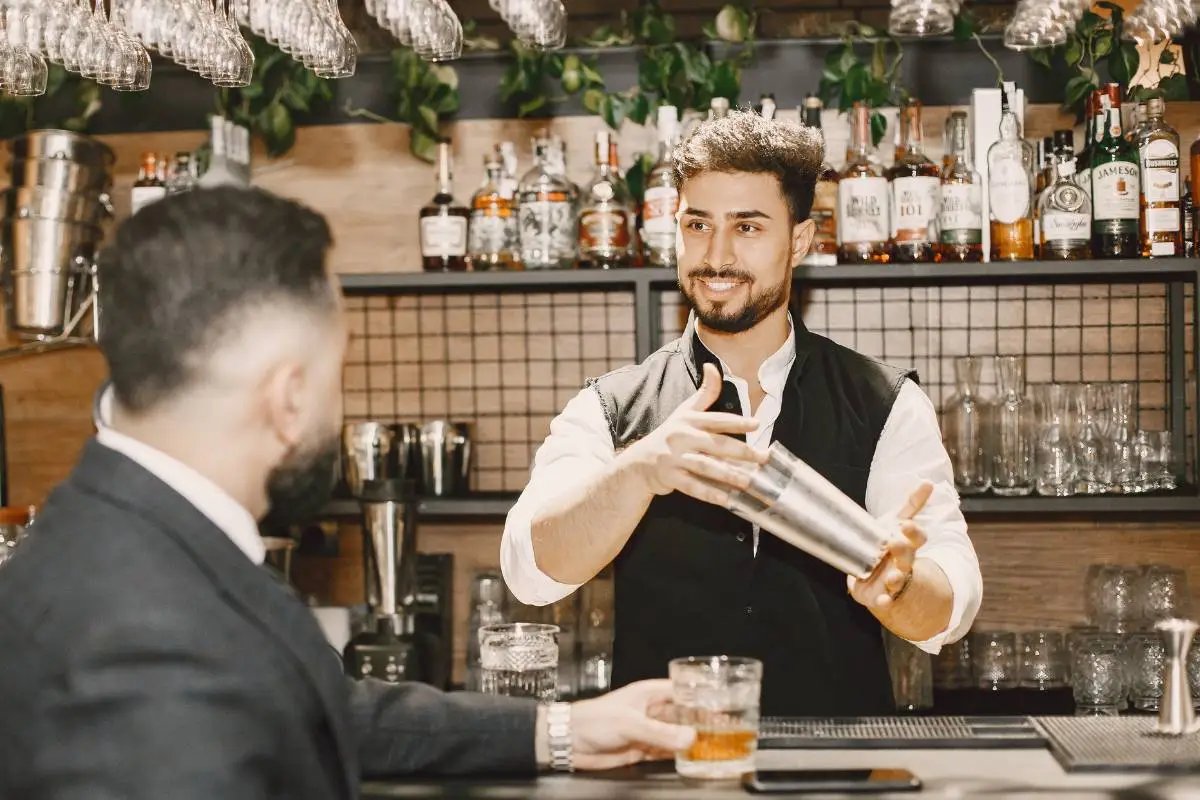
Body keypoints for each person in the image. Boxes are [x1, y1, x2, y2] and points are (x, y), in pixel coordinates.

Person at [0, 188, 697, 800]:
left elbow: (311, 706)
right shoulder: (145, 637)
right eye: (339, 369)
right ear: (290, 395)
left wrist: (561, 730)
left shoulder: (125, 543)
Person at [501, 111, 983, 717]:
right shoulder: (609, 407)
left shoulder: (885, 403)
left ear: (800, 241)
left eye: (748, 227)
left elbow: (952, 602)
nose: (717, 255)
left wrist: (900, 590)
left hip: (836, 767)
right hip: (663, 767)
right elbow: (530, 569)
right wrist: (639, 471)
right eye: (697, 224)